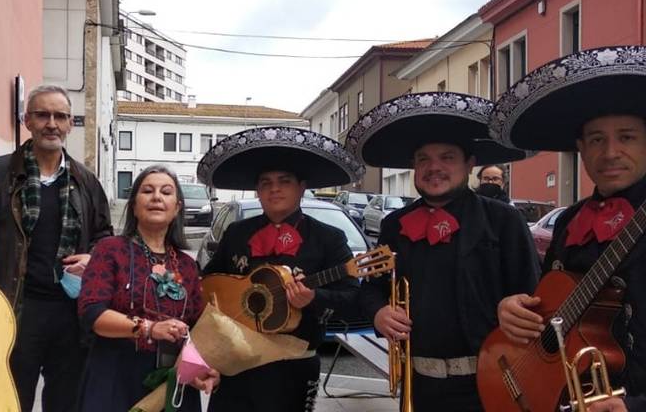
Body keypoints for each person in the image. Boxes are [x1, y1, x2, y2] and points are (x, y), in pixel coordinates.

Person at [348, 92, 539, 412]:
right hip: (421, 385)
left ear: (469, 165)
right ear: (414, 167)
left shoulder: (503, 220)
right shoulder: (394, 224)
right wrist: (379, 313)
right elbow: (372, 291)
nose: (434, 167)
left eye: (447, 157)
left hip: (491, 381)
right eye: (423, 159)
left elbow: (533, 295)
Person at [494, 46, 646, 412]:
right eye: (596, 139)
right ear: (580, 148)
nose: (610, 152)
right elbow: (547, 303)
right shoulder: (569, 220)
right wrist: (513, 309)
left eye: (626, 137)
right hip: (562, 394)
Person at [197, 126, 364, 412]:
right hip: (236, 364)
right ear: (258, 190)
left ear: (301, 187)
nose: (274, 188)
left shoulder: (328, 238)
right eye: (266, 182)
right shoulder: (238, 233)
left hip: (293, 367)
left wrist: (315, 299)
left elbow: (353, 300)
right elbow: (209, 284)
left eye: (284, 181)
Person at [0, 84, 112, 412]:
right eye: (42, 115)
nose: (51, 123)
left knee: (66, 402)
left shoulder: (86, 181)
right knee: (9, 398)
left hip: (70, 311)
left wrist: (93, 258)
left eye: (60, 116)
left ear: (70, 124)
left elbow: (105, 239)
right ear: (27, 120)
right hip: (15, 308)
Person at [78, 165, 219, 411]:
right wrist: (150, 328)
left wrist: (201, 368)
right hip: (116, 377)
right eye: (147, 191)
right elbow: (93, 314)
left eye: (166, 192)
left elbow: (197, 330)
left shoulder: (186, 265)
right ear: (134, 205)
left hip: (172, 383)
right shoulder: (110, 250)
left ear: (177, 208)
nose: (156, 197)